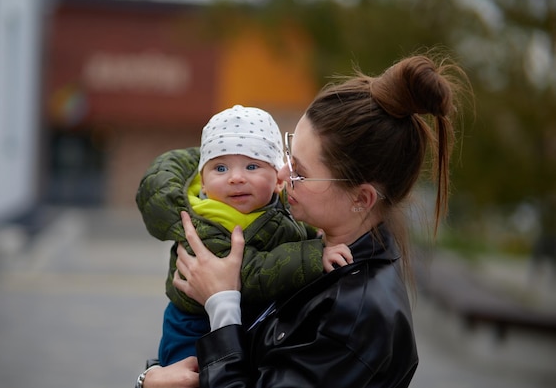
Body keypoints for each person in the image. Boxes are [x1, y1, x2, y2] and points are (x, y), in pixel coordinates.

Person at [136, 52, 471, 388]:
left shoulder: (354, 319)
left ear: (361, 199)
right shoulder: (313, 247)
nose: (282, 174)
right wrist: (149, 379)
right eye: (289, 156)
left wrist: (222, 303)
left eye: (301, 172)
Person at [136, 105, 353, 367]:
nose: (236, 178)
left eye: (251, 166)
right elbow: (248, 274)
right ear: (202, 181)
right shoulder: (205, 221)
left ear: (278, 178)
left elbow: (288, 232)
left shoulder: (277, 206)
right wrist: (315, 255)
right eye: (220, 168)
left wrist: (316, 234)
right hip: (193, 329)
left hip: (241, 319)